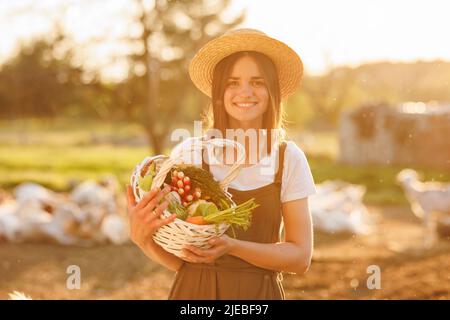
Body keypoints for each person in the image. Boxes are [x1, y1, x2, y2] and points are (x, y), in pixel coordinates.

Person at [126, 28, 317, 300]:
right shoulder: (191, 154)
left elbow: (300, 257)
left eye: (258, 82)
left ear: (272, 90)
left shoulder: (288, 159)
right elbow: (183, 262)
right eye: (233, 82)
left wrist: (232, 247)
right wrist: (142, 238)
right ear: (219, 91)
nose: (245, 92)